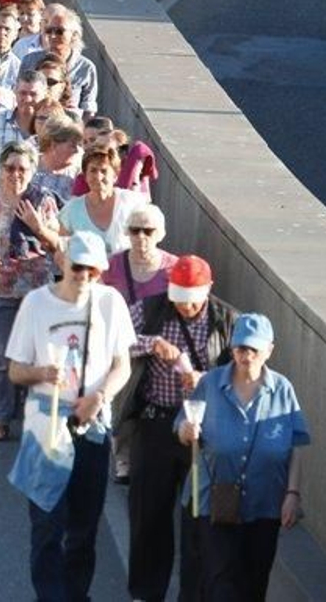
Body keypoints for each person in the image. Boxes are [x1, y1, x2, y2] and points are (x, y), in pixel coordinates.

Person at [6, 231, 135, 602]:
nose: (84, 277)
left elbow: (122, 366)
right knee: (48, 524)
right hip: (47, 423)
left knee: (83, 526)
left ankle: (76, 595)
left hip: (91, 424)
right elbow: (15, 370)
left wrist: (100, 397)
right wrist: (42, 374)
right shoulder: (37, 304)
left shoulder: (110, 303)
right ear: (63, 264)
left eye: (93, 271)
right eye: (78, 268)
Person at [123, 254, 235, 602]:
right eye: (179, 301)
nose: (184, 308)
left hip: (202, 429)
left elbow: (246, 374)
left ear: (208, 291)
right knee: (148, 513)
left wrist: (207, 380)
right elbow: (117, 339)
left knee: (197, 518)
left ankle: (195, 593)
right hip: (156, 421)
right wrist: (151, 344)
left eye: (191, 303)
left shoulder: (226, 320)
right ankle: (146, 591)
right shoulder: (153, 309)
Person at [179, 313, 310, 602]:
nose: (246, 355)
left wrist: (293, 493)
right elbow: (182, 426)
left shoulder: (282, 389)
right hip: (214, 501)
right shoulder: (211, 383)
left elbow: (297, 444)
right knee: (220, 583)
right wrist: (187, 430)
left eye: (253, 349)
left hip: (264, 503)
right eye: (240, 348)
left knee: (254, 582)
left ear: (269, 351)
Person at [0, 140, 64, 442]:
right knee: (0, 356)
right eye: (10, 168)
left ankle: (36, 417)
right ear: (0, 169)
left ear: (32, 171)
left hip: (35, 290)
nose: (15, 174)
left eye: (22, 169)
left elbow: (56, 244)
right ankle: (1, 417)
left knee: (35, 355)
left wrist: (38, 226)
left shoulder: (42, 200)